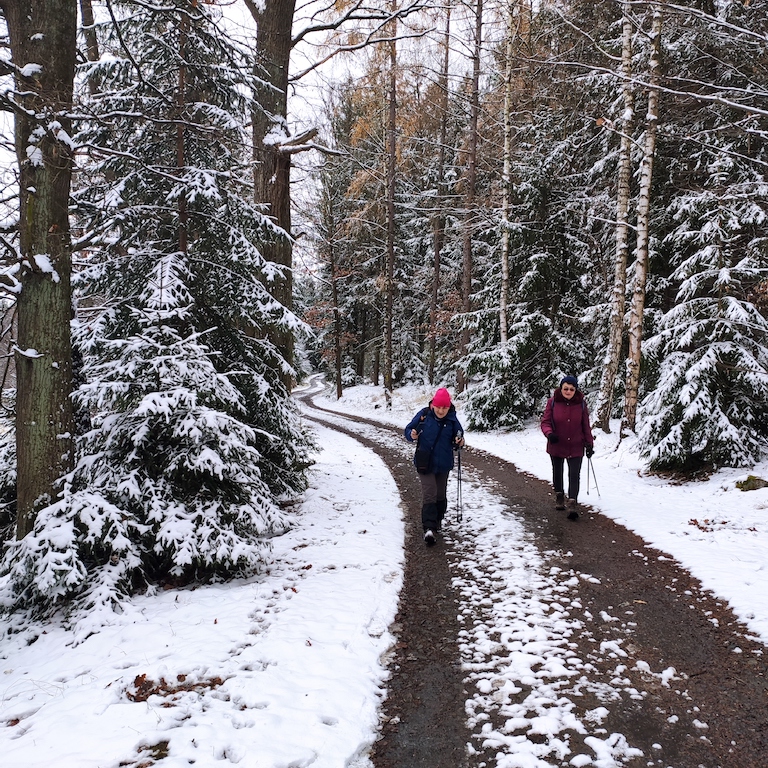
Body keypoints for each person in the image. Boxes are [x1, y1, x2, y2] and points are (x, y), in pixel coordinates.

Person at [404, 387, 465, 546]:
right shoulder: (424, 415)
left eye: (444, 407)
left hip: (444, 463)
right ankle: (429, 528)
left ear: (448, 406)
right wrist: (412, 434)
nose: (441, 410)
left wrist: (460, 442)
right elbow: (408, 429)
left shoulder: (452, 419)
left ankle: (437, 520)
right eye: (438, 407)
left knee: (440, 495)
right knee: (430, 492)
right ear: (433, 405)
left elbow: (459, 436)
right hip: (425, 462)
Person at [540, 375, 594, 520]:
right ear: (561, 388)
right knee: (558, 472)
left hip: (576, 444)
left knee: (574, 474)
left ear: (575, 390)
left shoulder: (581, 404)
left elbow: (585, 426)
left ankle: (572, 503)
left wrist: (589, 444)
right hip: (556, 443)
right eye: (566, 388)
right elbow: (545, 422)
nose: (568, 391)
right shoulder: (552, 402)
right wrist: (549, 434)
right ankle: (559, 496)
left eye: (571, 389)